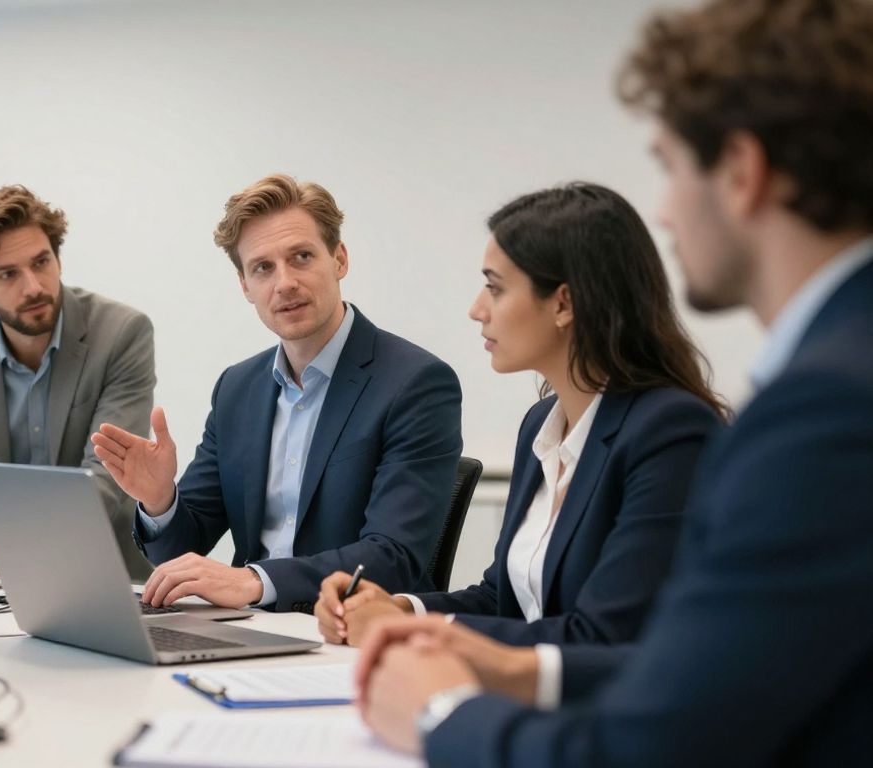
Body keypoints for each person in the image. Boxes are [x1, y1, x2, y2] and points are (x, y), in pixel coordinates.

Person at [355, 0, 873, 763]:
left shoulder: (824, 410)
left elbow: (652, 740)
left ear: (741, 170)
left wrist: (437, 713)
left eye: (668, 165)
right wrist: (498, 658)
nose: (662, 211)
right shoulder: (832, 378)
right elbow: (712, 673)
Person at [315, 183, 725, 650]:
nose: (477, 309)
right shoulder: (542, 424)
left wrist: (412, 632)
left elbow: (607, 636)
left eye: (494, 287)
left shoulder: (669, 433)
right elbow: (502, 599)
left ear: (564, 304)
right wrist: (399, 608)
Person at [92, 174, 463, 612]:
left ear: (339, 259)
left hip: (345, 635)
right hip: (247, 629)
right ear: (245, 286)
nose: (284, 283)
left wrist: (255, 581)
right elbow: (181, 550)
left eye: (301, 257)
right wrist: (159, 500)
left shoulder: (416, 383)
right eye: (262, 268)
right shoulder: (238, 388)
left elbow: (393, 556)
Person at [0, 185, 156, 579]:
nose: (33, 287)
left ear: (57, 258)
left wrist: (18, 542)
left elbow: (107, 474)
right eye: (8, 274)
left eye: (41, 262)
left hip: (100, 571)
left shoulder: (122, 332)